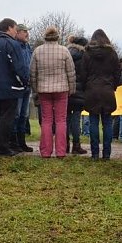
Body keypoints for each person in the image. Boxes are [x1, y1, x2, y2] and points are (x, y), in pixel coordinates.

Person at [0, 18, 30, 157]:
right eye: (15, 28)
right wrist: (24, 81)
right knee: (7, 117)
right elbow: (18, 67)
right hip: (10, 87)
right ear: (9, 28)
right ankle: (4, 147)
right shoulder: (12, 44)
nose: (16, 31)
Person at [30, 26, 76, 159]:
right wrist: (71, 89)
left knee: (46, 120)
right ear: (57, 37)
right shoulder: (64, 51)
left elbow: (33, 73)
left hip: (43, 90)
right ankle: (61, 151)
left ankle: (45, 152)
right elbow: (71, 73)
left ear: (45, 37)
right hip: (62, 89)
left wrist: (35, 90)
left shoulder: (38, 51)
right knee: (61, 120)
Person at [81, 29, 120, 160]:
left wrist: (86, 86)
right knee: (107, 123)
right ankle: (107, 154)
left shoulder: (87, 54)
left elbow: (83, 73)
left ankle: (95, 153)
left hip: (92, 90)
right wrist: (112, 86)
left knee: (93, 122)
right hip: (107, 90)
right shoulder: (112, 54)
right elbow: (117, 73)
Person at [65, 35, 89, 154]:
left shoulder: (66, 53)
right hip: (79, 91)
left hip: (66, 90)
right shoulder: (84, 57)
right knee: (76, 118)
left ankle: (64, 144)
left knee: (65, 119)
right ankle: (76, 145)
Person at [13, 24, 34, 152]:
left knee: (24, 115)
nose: (27, 34)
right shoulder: (15, 46)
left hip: (28, 85)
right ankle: (14, 141)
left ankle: (22, 142)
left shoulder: (27, 47)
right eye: (24, 31)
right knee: (16, 114)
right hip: (18, 85)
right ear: (17, 32)